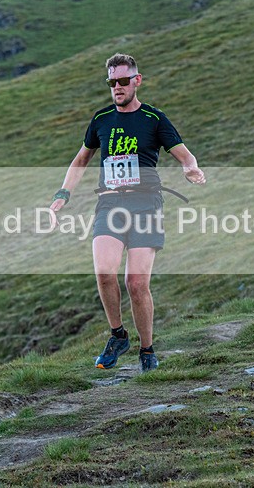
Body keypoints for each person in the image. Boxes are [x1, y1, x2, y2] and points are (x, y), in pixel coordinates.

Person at [48, 53, 205, 373]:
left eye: (122, 81)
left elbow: (185, 155)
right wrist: (63, 194)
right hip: (109, 205)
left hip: (146, 206)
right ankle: (118, 336)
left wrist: (191, 169)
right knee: (104, 273)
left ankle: (147, 349)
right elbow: (81, 160)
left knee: (136, 283)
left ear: (137, 80)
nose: (117, 87)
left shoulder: (154, 118)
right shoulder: (101, 119)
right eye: (111, 82)